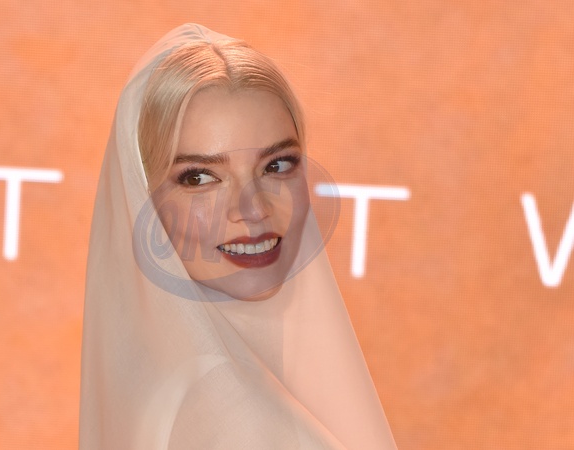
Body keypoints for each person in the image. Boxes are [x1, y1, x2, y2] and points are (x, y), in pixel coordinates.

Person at [79, 23, 397, 449]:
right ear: (142, 198)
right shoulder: (230, 415)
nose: (253, 210)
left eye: (277, 166)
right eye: (199, 177)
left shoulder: (166, 384)